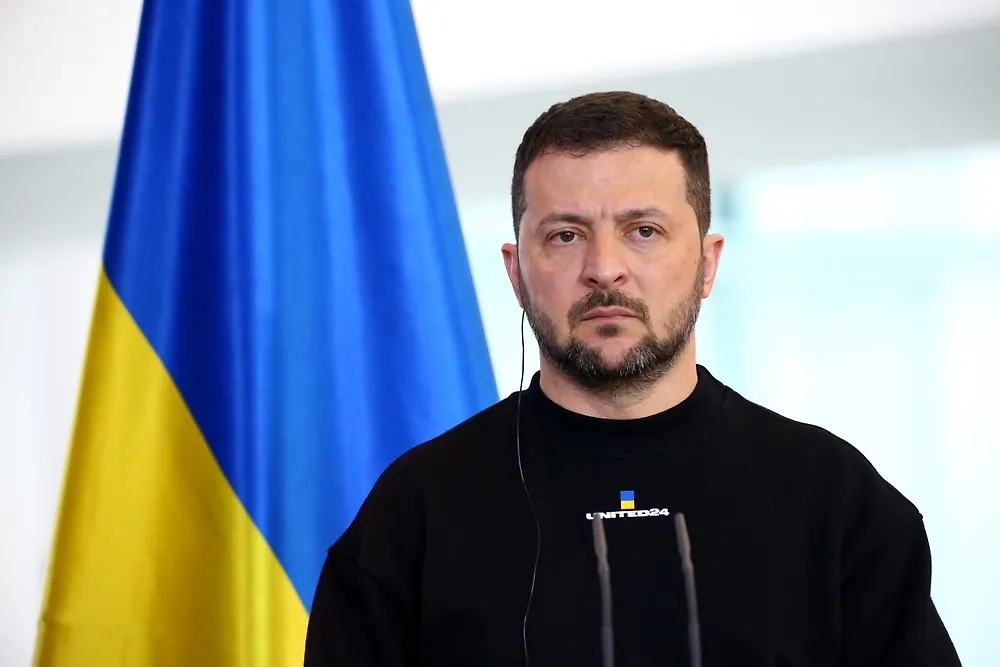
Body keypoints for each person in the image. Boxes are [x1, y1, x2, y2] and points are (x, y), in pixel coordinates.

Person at [303, 91, 961, 666]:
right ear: (516, 272)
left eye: (643, 230)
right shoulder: (413, 514)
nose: (604, 267)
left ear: (708, 262)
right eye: (565, 236)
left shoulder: (835, 500)